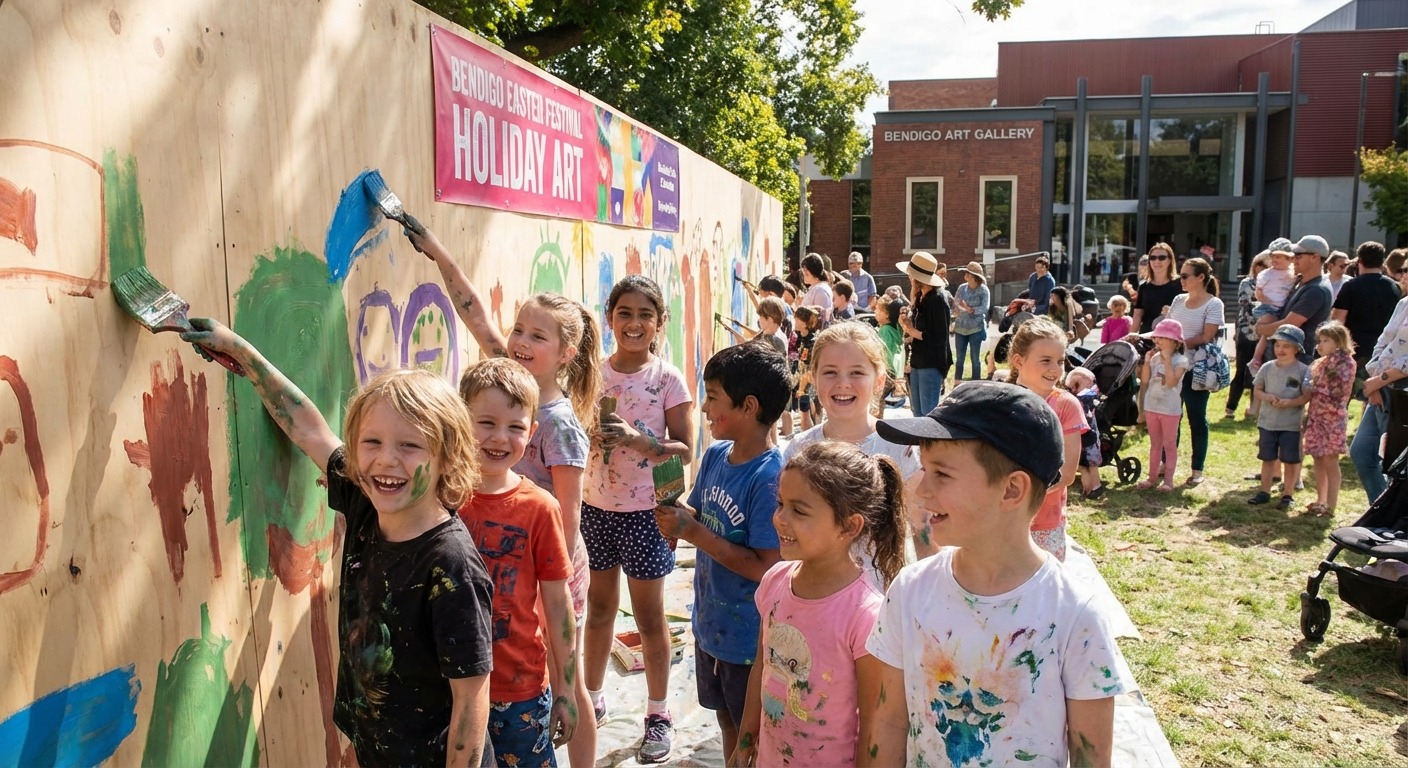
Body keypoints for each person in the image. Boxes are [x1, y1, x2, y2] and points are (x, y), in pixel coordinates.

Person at [180, 321, 494, 766]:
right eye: (372, 442)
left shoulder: (451, 565)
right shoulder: (368, 501)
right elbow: (309, 428)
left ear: (447, 456)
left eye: (410, 446)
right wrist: (242, 355)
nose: (386, 459)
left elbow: (471, 700)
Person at [858, 381, 1134, 768]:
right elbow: (888, 722)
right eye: (924, 469)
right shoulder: (910, 591)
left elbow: (1091, 756)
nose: (921, 490)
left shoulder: (1075, 613)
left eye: (942, 473)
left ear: (1011, 490)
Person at [416, 228, 603, 767]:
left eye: (536, 335)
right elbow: (473, 309)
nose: (519, 340)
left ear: (565, 353)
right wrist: (436, 248)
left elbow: (567, 517)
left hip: (549, 559)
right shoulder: (511, 384)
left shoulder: (558, 422)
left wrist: (550, 590)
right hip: (504, 547)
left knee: (559, 673)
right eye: (519, 328)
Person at [731, 442, 909, 768]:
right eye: (780, 504)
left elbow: (874, 722)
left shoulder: (865, 615)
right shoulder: (775, 581)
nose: (780, 519)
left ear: (849, 526)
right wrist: (745, 740)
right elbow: (762, 667)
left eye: (799, 510)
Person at [652, 342, 790, 760]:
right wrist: (676, 513)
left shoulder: (770, 478)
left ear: (748, 406)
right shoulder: (714, 456)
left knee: (752, 730)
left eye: (713, 397)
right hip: (710, 624)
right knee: (727, 720)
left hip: (749, 638)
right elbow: (700, 514)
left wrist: (692, 531)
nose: (706, 410)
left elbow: (767, 566)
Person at [583, 275, 695, 763]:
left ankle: (657, 712)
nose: (633, 323)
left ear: (659, 322)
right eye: (624, 313)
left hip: (647, 515)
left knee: (650, 618)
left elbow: (685, 451)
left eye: (644, 315)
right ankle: (591, 699)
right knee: (599, 610)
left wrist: (633, 439)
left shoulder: (667, 379)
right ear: (610, 318)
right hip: (595, 509)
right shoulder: (589, 374)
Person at [457, 360, 577, 767]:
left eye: (515, 427)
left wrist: (567, 691)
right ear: (460, 421)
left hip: (520, 690)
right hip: (451, 689)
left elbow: (558, 606)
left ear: (533, 433)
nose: (499, 437)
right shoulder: (442, 498)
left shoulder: (540, 508)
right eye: (485, 422)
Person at [783, 322, 925, 560]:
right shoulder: (799, 449)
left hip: (886, 593)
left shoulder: (900, 447)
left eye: (856, 372)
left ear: (879, 381)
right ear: (814, 378)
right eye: (830, 372)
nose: (843, 383)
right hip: (819, 591)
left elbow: (923, 533)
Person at [1008, 318, 1087, 561]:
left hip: (1044, 522)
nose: (1055, 369)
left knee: (1043, 590)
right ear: (1019, 361)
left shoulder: (1066, 406)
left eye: (1060, 361)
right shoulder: (1001, 401)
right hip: (1001, 519)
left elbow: (1067, 473)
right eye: (1046, 360)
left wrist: (1019, 499)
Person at [1352, 248, 1408, 502]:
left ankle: (1394, 517)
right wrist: (1374, 380)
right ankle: (1380, 510)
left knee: (1394, 461)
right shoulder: (1404, 303)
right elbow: (1383, 342)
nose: (1401, 274)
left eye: (1407, 271)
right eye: (1402, 270)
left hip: (1401, 391)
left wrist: (1378, 381)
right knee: (1362, 453)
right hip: (1381, 386)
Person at [1164, 257, 1223, 486]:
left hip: (1197, 369)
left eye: (1186, 275)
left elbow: (1207, 336)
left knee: (1196, 418)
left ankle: (1197, 469)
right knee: (1171, 417)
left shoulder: (1213, 304)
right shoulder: (1178, 299)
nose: (1182, 280)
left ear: (1201, 277)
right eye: (1181, 275)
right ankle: (1167, 465)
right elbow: (1168, 328)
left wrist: (1178, 344)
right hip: (1173, 365)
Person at [1248, 325, 1312, 509]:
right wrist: (1266, 397)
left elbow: (1307, 396)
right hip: (1267, 422)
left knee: (1290, 461)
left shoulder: (1303, 370)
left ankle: (1288, 494)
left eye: (1286, 346)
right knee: (1267, 458)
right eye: (1277, 345)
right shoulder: (1267, 368)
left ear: (1297, 349)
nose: (1280, 349)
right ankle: (1264, 491)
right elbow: (1258, 389)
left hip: (1291, 425)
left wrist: (1289, 403)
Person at [1256, 235, 1334, 366]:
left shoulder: (1316, 290)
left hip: (1300, 362)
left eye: (1298, 256)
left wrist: (1259, 329)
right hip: (1288, 360)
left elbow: (1289, 326)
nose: (1293, 260)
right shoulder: (1300, 281)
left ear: (1315, 257)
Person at [1304, 322, 1356, 517]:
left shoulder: (1346, 362)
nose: (1320, 344)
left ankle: (1331, 505)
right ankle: (1321, 500)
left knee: (1330, 460)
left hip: (1333, 418)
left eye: (1326, 340)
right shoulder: (1320, 362)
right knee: (1317, 456)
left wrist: (1313, 389)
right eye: (1320, 340)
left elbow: (1338, 390)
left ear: (1339, 342)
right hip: (1316, 415)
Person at [1331, 241, 1400, 388]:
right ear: (1382, 262)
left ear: (1359, 261)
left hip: (1353, 350)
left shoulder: (1351, 286)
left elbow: (1337, 321)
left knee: (1342, 394)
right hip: (1383, 351)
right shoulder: (1395, 287)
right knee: (1374, 396)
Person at [1135, 319, 1190, 492]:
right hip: (1152, 406)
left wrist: (1166, 362)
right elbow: (1145, 381)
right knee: (1155, 444)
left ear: (1175, 341)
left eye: (1162, 337)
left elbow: (1171, 383)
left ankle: (1168, 481)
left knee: (1169, 444)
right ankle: (1151, 478)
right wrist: (1146, 361)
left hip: (1170, 409)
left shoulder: (1181, 360)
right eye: (1156, 337)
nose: (1157, 340)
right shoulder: (1154, 358)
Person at [897, 251, 953, 416]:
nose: (910, 279)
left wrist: (913, 331)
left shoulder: (937, 299)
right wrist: (907, 324)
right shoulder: (922, 297)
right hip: (918, 361)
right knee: (917, 413)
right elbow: (916, 327)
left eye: (912, 276)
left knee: (927, 415)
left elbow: (939, 336)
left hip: (931, 362)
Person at [1227, 251, 1271, 419]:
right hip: (1246, 332)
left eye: (1265, 266)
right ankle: (1231, 407)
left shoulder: (1273, 283)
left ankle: (1254, 408)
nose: (1261, 268)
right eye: (1259, 264)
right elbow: (1246, 303)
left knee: (1259, 371)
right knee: (1240, 371)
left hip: (1265, 333)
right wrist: (1268, 303)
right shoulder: (1247, 282)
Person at [1246, 240, 1296, 372]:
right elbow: (1258, 291)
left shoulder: (1293, 273)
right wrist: (1265, 300)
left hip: (1283, 308)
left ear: (1289, 258)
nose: (1274, 259)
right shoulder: (1266, 274)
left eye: (1278, 257)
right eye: (1273, 256)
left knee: (1274, 333)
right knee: (1269, 329)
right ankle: (1256, 358)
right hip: (1267, 307)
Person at [1066, 366, 1105, 500]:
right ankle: (1093, 487)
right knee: (1088, 465)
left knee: (1086, 466)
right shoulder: (1091, 397)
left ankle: (1092, 488)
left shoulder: (1082, 400)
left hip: (1086, 437)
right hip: (1089, 437)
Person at [952, 261, 991, 381]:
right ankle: (957, 382)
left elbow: (985, 308)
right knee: (959, 358)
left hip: (976, 328)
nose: (965, 275)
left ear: (975, 276)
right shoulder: (962, 288)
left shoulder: (984, 290)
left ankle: (976, 383)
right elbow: (956, 303)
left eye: (968, 273)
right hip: (960, 328)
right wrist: (962, 308)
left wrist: (971, 310)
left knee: (975, 358)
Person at [1131, 242, 1181, 334]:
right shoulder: (1143, 286)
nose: (1157, 261)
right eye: (1153, 258)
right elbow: (1138, 314)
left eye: (1162, 258)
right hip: (1147, 337)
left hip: (1172, 338)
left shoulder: (1181, 284)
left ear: (1169, 260)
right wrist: (1131, 336)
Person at [790, 305, 821, 432]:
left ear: (804, 323)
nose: (794, 322)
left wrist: (802, 388)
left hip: (810, 381)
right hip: (803, 379)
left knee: (811, 408)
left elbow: (809, 367)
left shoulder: (811, 341)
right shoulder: (801, 337)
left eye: (797, 319)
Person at [800, 253, 835, 326]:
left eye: (805, 269)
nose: (803, 272)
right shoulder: (815, 287)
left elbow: (822, 318)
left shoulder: (820, 290)